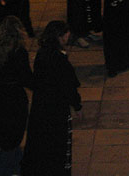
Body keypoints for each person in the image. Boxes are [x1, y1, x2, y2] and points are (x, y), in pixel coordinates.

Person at [22, 21, 82, 176]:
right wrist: (77, 105)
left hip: (41, 108)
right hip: (56, 111)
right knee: (58, 146)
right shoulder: (59, 60)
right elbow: (68, 86)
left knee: (41, 145)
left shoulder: (42, 54)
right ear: (60, 37)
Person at [0, 16, 33, 176]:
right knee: (11, 144)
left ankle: (19, 169)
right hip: (14, 101)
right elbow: (26, 78)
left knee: (8, 142)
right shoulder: (18, 52)